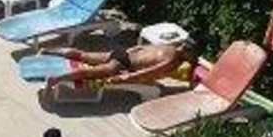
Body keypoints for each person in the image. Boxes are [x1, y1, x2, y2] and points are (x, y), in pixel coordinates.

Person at [42, 39, 197, 91]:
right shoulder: (172, 60)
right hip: (123, 64)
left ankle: (47, 51)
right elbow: (149, 72)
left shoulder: (168, 46)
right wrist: (126, 78)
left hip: (123, 53)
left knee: (82, 55)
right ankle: (56, 79)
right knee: (89, 73)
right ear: (188, 52)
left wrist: (127, 52)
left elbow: (139, 47)